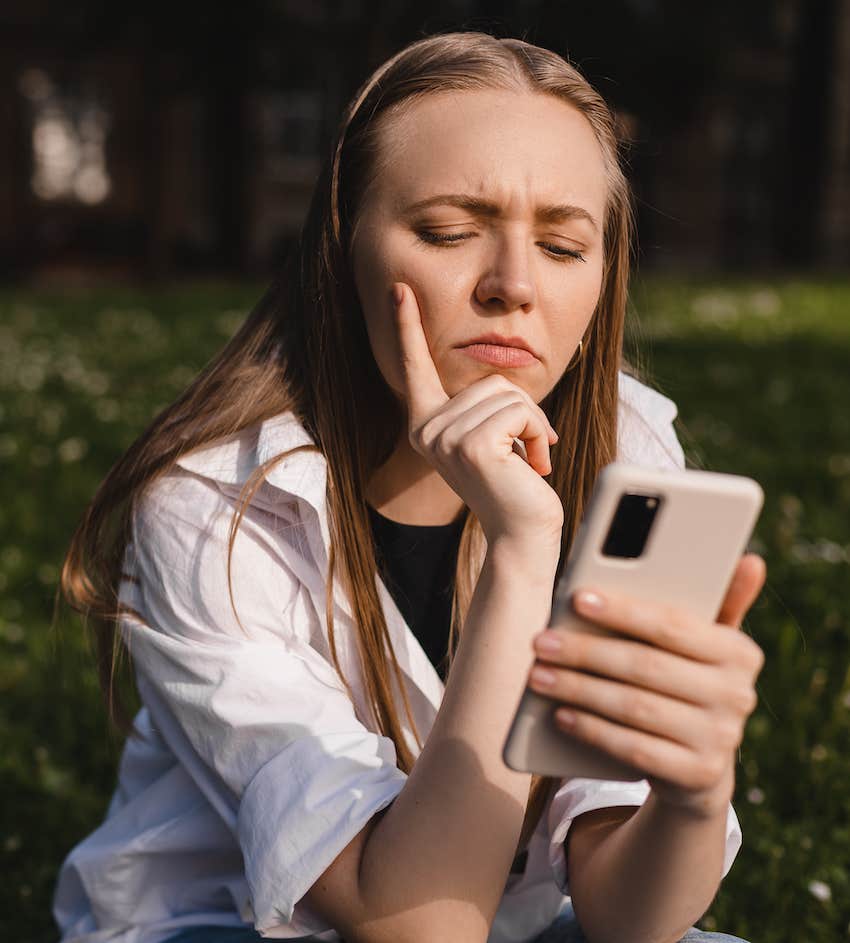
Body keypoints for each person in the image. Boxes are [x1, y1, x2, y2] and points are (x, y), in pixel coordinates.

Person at [52, 29, 767, 943]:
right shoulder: (214, 506)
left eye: (561, 246)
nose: (513, 285)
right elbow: (419, 929)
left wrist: (692, 790)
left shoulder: (632, 454)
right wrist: (521, 549)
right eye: (448, 232)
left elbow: (630, 920)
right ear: (344, 252)